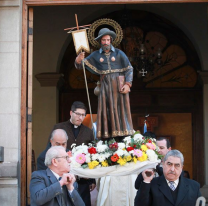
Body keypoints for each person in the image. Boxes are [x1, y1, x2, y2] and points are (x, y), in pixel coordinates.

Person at [75, 28, 134, 139]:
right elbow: (82, 65)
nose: (106, 42)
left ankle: (123, 135)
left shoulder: (119, 53)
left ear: (111, 40)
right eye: (103, 40)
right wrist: (78, 60)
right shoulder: (96, 55)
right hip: (106, 86)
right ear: (100, 41)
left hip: (119, 85)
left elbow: (129, 69)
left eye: (108, 40)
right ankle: (108, 135)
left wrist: (127, 84)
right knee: (107, 109)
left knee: (121, 109)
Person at [47, 101, 95, 206]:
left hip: (82, 178)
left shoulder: (88, 131)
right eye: (77, 114)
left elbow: (92, 155)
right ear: (71, 113)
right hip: (62, 177)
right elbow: (49, 150)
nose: (80, 117)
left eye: (83, 115)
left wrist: (92, 180)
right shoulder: (58, 128)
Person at [135, 150, 201, 206]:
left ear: (182, 168)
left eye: (177, 165)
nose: (172, 169)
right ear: (163, 164)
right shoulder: (151, 184)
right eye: (169, 164)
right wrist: (146, 181)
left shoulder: (194, 186)